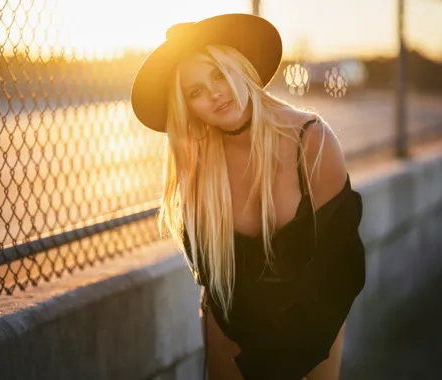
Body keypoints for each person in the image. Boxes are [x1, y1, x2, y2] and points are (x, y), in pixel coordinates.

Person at [131, 13, 366, 380]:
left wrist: (281, 357)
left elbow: (340, 265)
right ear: (187, 106)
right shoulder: (199, 161)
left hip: (316, 318)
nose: (213, 93)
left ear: (239, 66)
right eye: (194, 91)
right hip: (232, 323)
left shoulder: (311, 141)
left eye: (219, 74)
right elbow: (211, 271)